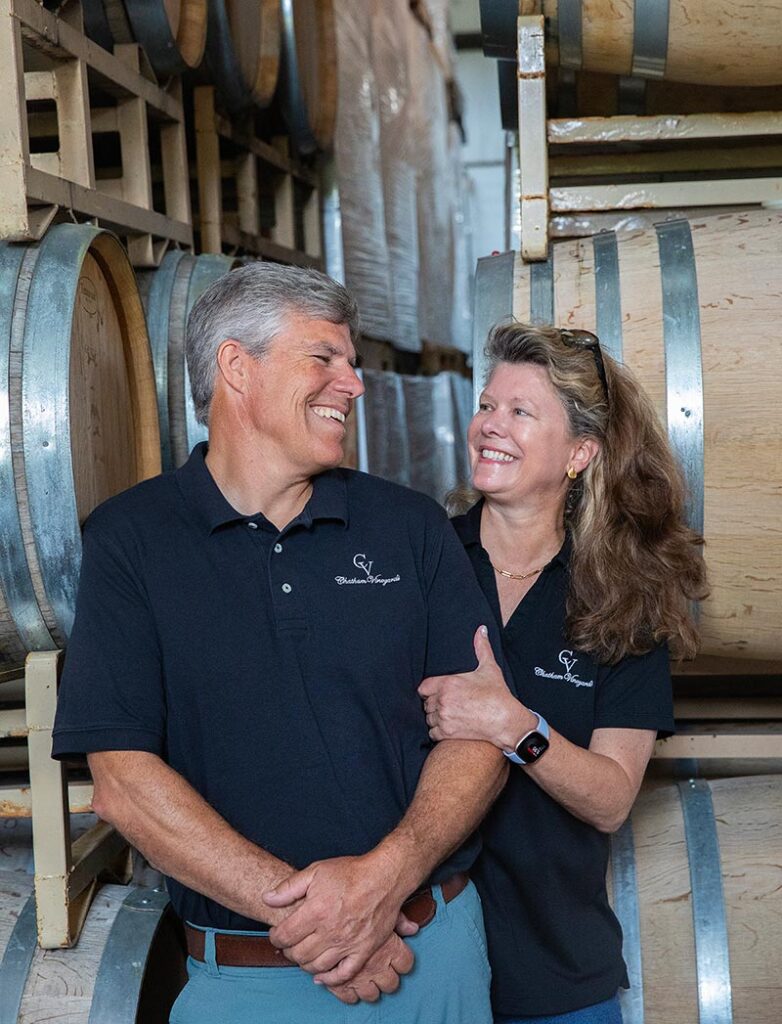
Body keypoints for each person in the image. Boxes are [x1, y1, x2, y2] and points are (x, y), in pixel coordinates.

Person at [51, 263, 509, 1024]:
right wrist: (320, 924)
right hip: (250, 985)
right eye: (324, 358)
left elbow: (484, 734)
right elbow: (123, 781)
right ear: (237, 366)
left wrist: (382, 881)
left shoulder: (410, 526)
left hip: (429, 954)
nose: (354, 384)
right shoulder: (131, 540)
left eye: (353, 363)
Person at [418, 322, 707, 1024]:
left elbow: (611, 797)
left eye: (521, 412)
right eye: (488, 404)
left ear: (580, 452)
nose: (491, 425)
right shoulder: (419, 561)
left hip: (556, 976)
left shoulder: (621, 596)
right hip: (416, 963)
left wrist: (514, 725)